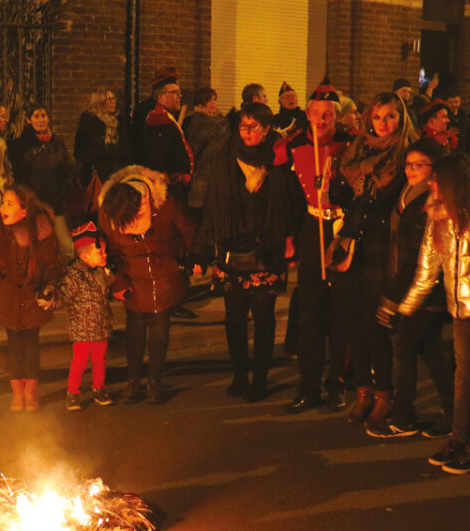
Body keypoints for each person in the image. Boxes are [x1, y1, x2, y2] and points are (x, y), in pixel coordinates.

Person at [394, 152, 470, 474]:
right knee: (461, 375)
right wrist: (404, 309)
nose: (431, 184)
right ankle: (459, 438)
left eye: (436, 179)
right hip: (458, 308)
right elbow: (426, 269)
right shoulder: (437, 217)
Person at [200, 102, 301, 401]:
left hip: (266, 247)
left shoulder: (278, 160)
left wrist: (289, 239)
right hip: (233, 247)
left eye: (253, 127)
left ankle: (260, 377)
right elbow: (213, 204)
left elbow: (290, 202)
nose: (247, 133)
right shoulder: (225, 158)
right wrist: (201, 248)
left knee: (264, 317)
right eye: (243, 126)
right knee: (234, 318)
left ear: (267, 129)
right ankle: (239, 374)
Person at [334, 91, 419, 428]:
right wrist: (335, 185)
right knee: (354, 323)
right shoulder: (357, 151)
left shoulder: (405, 155)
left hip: (384, 245)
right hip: (354, 243)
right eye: (379, 116)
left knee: (375, 327)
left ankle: (384, 394)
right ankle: (363, 392)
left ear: (402, 119)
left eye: (391, 117)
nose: (384, 123)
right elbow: (348, 199)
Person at [277, 77, 355, 414]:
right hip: (311, 227)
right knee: (309, 314)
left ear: (337, 117)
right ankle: (307, 385)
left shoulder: (352, 145)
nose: (322, 121)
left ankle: (336, 383)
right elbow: (286, 197)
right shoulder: (293, 145)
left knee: (340, 316)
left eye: (329, 115)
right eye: (317, 114)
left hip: (342, 229)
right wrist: (289, 237)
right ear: (307, 114)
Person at [367, 137, 454, 440]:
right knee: (429, 350)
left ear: (434, 169)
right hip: (411, 286)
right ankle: (454, 410)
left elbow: (416, 255)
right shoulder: (406, 193)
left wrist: (395, 296)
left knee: (404, 348)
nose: (412, 169)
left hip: (424, 289)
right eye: (409, 164)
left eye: (420, 164)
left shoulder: (430, 201)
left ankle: (403, 416)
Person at [98, 166, 195, 404]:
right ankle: (134, 382)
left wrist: (186, 259)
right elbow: (110, 252)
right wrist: (119, 281)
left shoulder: (165, 205)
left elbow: (188, 233)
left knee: (160, 326)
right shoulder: (110, 211)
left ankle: (155, 382)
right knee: (136, 327)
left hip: (163, 271)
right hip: (132, 275)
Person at [0, 186, 64, 412]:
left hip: (32, 299)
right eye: (3, 203)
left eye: (10, 204)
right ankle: (17, 392)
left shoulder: (40, 233)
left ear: (24, 211)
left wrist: (49, 287)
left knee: (31, 347)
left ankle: (30, 393)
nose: (3, 208)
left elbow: (52, 264)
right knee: (14, 347)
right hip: (8, 299)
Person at [47, 221, 116, 411]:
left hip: (101, 327)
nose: (105, 254)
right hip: (82, 330)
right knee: (78, 363)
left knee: (100, 361)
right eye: (100, 252)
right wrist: (50, 300)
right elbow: (64, 297)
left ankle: (99, 388)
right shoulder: (75, 276)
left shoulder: (102, 272)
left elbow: (109, 290)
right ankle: (72, 392)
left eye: (104, 251)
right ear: (84, 255)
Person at [9, 103, 75, 261]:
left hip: (56, 203)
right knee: (39, 249)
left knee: (67, 248)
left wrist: (63, 192)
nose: (41, 120)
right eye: (36, 116)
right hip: (36, 205)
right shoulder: (22, 144)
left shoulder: (57, 142)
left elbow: (69, 168)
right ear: (28, 120)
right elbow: (20, 175)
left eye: (44, 116)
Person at [73, 87, 132, 213]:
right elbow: (80, 152)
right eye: (107, 99)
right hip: (98, 176)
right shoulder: (89, 121)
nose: (112, 102)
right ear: (99, 103)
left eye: (113, 99)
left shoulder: (120, 120)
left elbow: (127, 148)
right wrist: (105, 151)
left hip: (118, 176)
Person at [139, 73, 194, 189]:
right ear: (161, 97)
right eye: (175, 93)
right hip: (170, 187)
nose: (180, 96)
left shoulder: (167, 117)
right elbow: (157, 157)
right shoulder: (159, 118)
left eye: (180, 93)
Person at [182, 87, 229, 219]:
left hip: (220, 177)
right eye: (208, 100)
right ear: (200, 105)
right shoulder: (195, 123)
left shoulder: (224, 122)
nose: (212, 103)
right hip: (201, 177)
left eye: (214, 99)